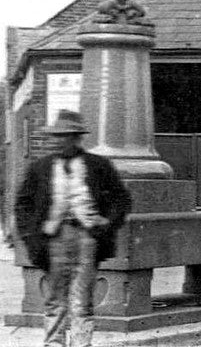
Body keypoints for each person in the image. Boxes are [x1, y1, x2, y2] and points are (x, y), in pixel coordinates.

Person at [14, 110, 132, 347]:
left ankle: (81, 343)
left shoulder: (98, 165)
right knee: (55, 299)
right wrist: (32, 236)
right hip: (54, 239)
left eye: (64, 136)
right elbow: (23, 205)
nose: (58, 140)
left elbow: (122, 199)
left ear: (77, 138)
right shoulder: (40, 168)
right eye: (56, 136)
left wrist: (106, 222)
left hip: (87, 238)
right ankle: (54, 344)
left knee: (82, 300)